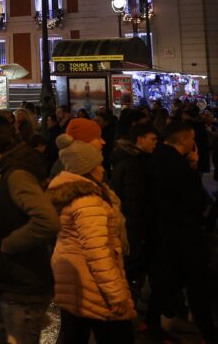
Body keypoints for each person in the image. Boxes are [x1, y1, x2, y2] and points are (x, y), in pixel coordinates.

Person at [0, 114, 59, 344]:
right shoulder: (8, 169)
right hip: (6, 281)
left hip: (22, 286)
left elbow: (47, 220)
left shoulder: (16, 174)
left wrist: (8, 244)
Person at [48, 134, 136, 342]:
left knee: (73, 334)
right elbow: (98, 252)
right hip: (93, 287)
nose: (103, 169)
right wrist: (115, 294)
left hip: (75, 282)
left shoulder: (70, 193)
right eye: (99, 165)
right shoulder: (87, 202)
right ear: (86, 169)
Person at [144, 121, 215, 342]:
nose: (194, 143)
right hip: (183, 234)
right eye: (192, 139)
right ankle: (208, 333)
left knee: (169, 281)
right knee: (197, 284)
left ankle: (152, 321)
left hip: (167, 232)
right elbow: (195, 201)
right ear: (184, 140)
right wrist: (193, 168)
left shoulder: (158, 159)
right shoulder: (176, 165)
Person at [109, 122, 158, 286]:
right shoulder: (133, 163)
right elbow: (133, 198)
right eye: (152, 139)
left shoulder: (126, 158)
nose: (155, 143)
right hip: (133, 223)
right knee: (134, 262)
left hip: (129, 220)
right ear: (140, 139)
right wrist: (139, 226)